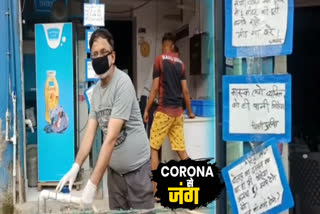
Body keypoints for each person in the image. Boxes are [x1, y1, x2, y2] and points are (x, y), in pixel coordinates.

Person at [56, 28, 154, 210]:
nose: (98, 58)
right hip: (115, 174)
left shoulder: (123, 83)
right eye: (94, 54)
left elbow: (110, 139)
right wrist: (76, 166)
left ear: (113, 57)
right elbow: (90, 134)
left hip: (137, 172)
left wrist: (92, 185)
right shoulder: (96, 93)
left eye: (103, 52)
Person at [143, 32, 195, 195]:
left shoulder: (159, 60)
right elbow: (185, 91)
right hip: (178, 114)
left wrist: (146, 109)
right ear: (173, 46)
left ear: (166, 45)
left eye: (164, 45)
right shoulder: (181, 64)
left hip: (164, 112)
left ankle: (156, 190)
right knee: (181, 150)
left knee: (153, 147)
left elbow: (155, 89)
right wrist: (191, 112)